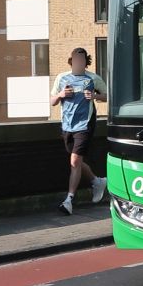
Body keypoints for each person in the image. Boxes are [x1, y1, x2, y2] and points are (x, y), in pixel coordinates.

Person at [52, 46, 107, 214]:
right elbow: (52, 101)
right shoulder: (62, 78)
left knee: (75, 161)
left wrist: (95, 96)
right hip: (67, 125)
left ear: (86, 62)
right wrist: (61, 95)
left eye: (82, 60)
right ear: (71, 61)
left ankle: (69, 200)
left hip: (85, 124)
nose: (79, 62)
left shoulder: (93, 78)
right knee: (75, 161)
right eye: (76, 59)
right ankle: (97, 181)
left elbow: (107, 96)